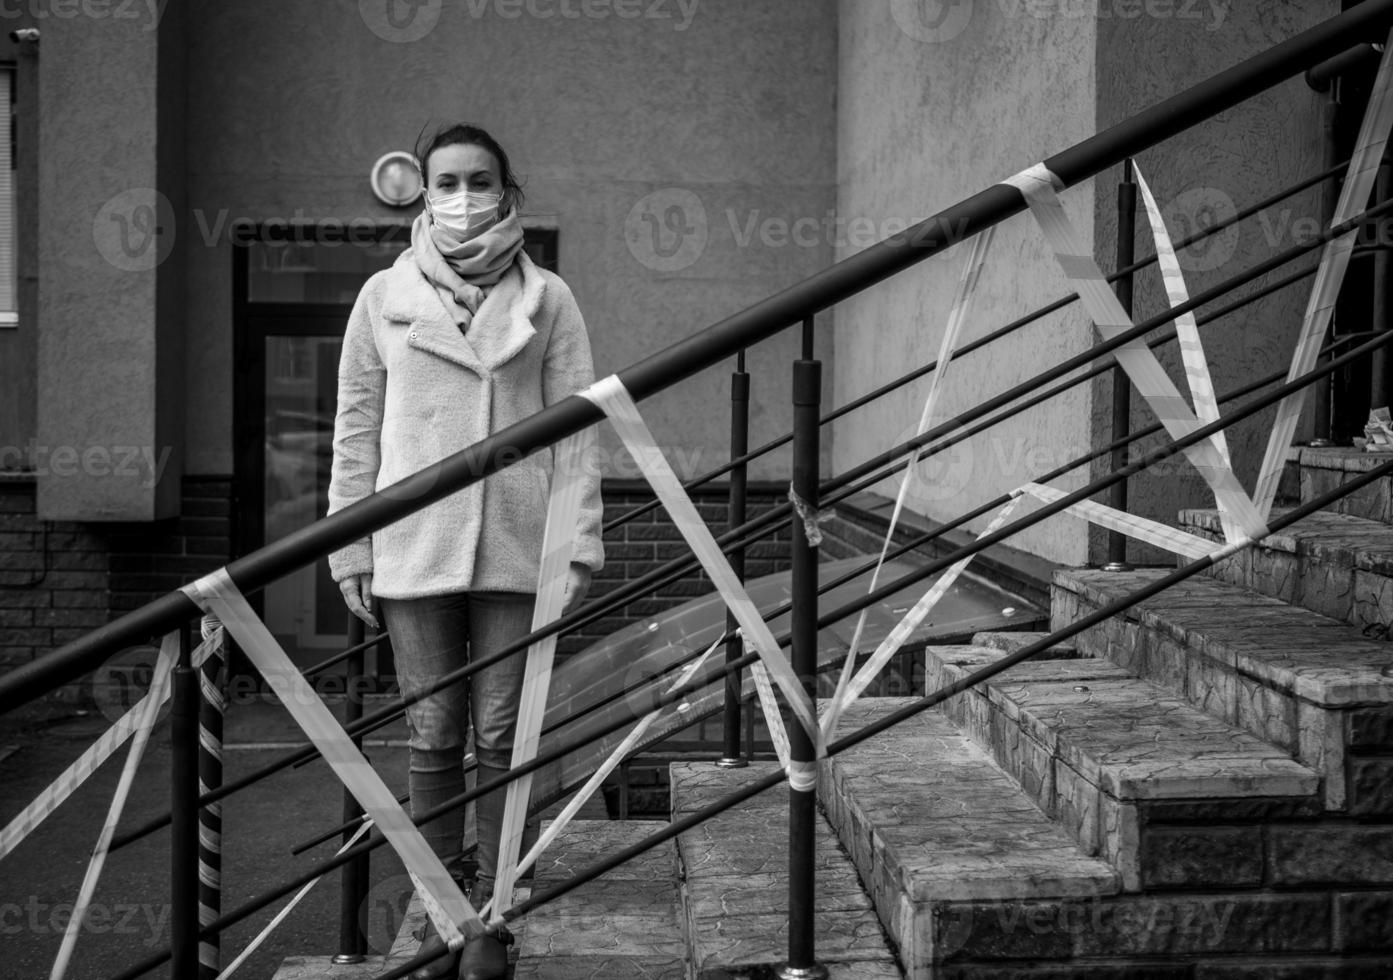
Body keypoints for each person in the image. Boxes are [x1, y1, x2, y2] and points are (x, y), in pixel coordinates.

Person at [327, 123, 604, 980]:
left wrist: (578, 547)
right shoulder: (383, 296)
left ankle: (493, 910)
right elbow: (356, 428)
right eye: (446, 180)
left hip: (519, 546)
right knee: (433, 728)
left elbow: (580, 432)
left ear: (506, 189)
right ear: (422, 191)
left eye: (478, 179)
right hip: (412, 546)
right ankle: (437, 909)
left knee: (499, 731)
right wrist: (348, 546)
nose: (462, 196)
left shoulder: (548, 297)